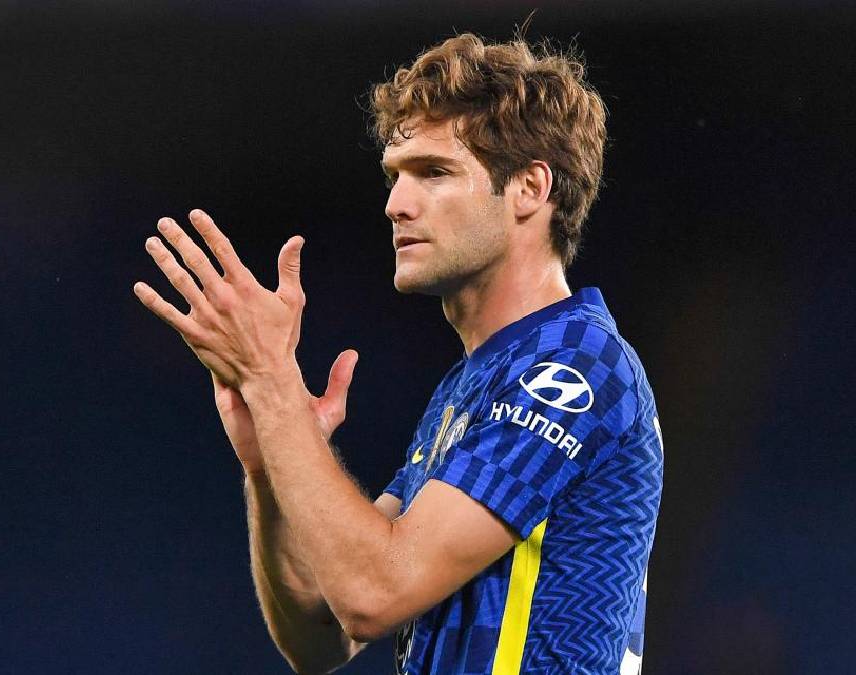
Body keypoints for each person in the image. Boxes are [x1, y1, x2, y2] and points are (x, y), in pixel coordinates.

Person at [133, 33, 662, 675]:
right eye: (395, 176)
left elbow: (372, 596)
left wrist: (272, 381)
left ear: (529, 188)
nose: (395, 204)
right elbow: (321, 637)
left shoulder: (574, 365)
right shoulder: (473, 384)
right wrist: (270, 459)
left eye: (434, 172)